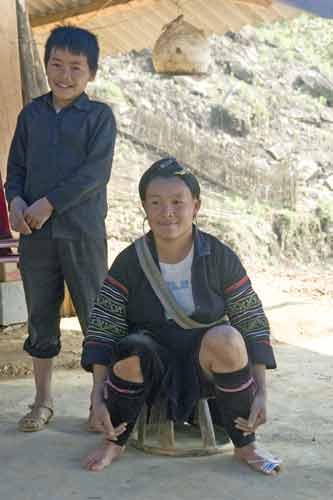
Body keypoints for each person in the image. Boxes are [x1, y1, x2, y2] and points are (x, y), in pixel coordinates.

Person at [81, 157, 282, 475]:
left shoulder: (219, 256)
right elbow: (104, 327)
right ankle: (112, 443)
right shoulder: (130, 261)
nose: (167, 212)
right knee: (132, 348)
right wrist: (98, 395)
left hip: (204, 367)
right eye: (156, 203)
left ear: (196, 206)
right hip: (149, 366)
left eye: (178, 202)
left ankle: (246, 445)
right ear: (144, 207)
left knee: (229, 337)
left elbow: (251, 320)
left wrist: (262, 391)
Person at [5, 25, 116, 432]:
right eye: (56, 65)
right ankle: (42, 400)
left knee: (95, 314)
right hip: (36, 235)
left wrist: (48, 204)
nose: (64, 75)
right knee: (40, 316)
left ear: (92, 74)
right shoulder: (31, 114)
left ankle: (99, 402)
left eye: (76, 68)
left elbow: (95, 174)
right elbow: (14, 170)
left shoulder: (99, 117)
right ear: (45, 65)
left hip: (83, 233)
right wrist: (15, 201)